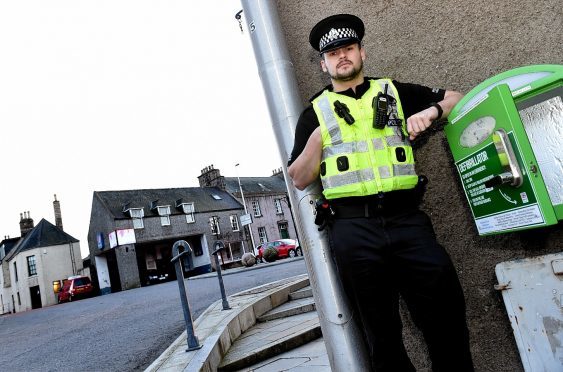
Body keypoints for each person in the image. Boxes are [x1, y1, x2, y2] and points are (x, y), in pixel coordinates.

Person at [288, 14, 474, 372]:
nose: (342, 56)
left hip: (408, 221)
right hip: (353, 230)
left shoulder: (393, 92)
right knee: (381, 334)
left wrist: (431, 112)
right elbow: (299, 177)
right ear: (323, 63)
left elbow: (456, 98)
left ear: (362, 53)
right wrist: (317, 139)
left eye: (349, 48)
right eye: (333, 53)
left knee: (445, 317)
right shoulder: (315, 112)